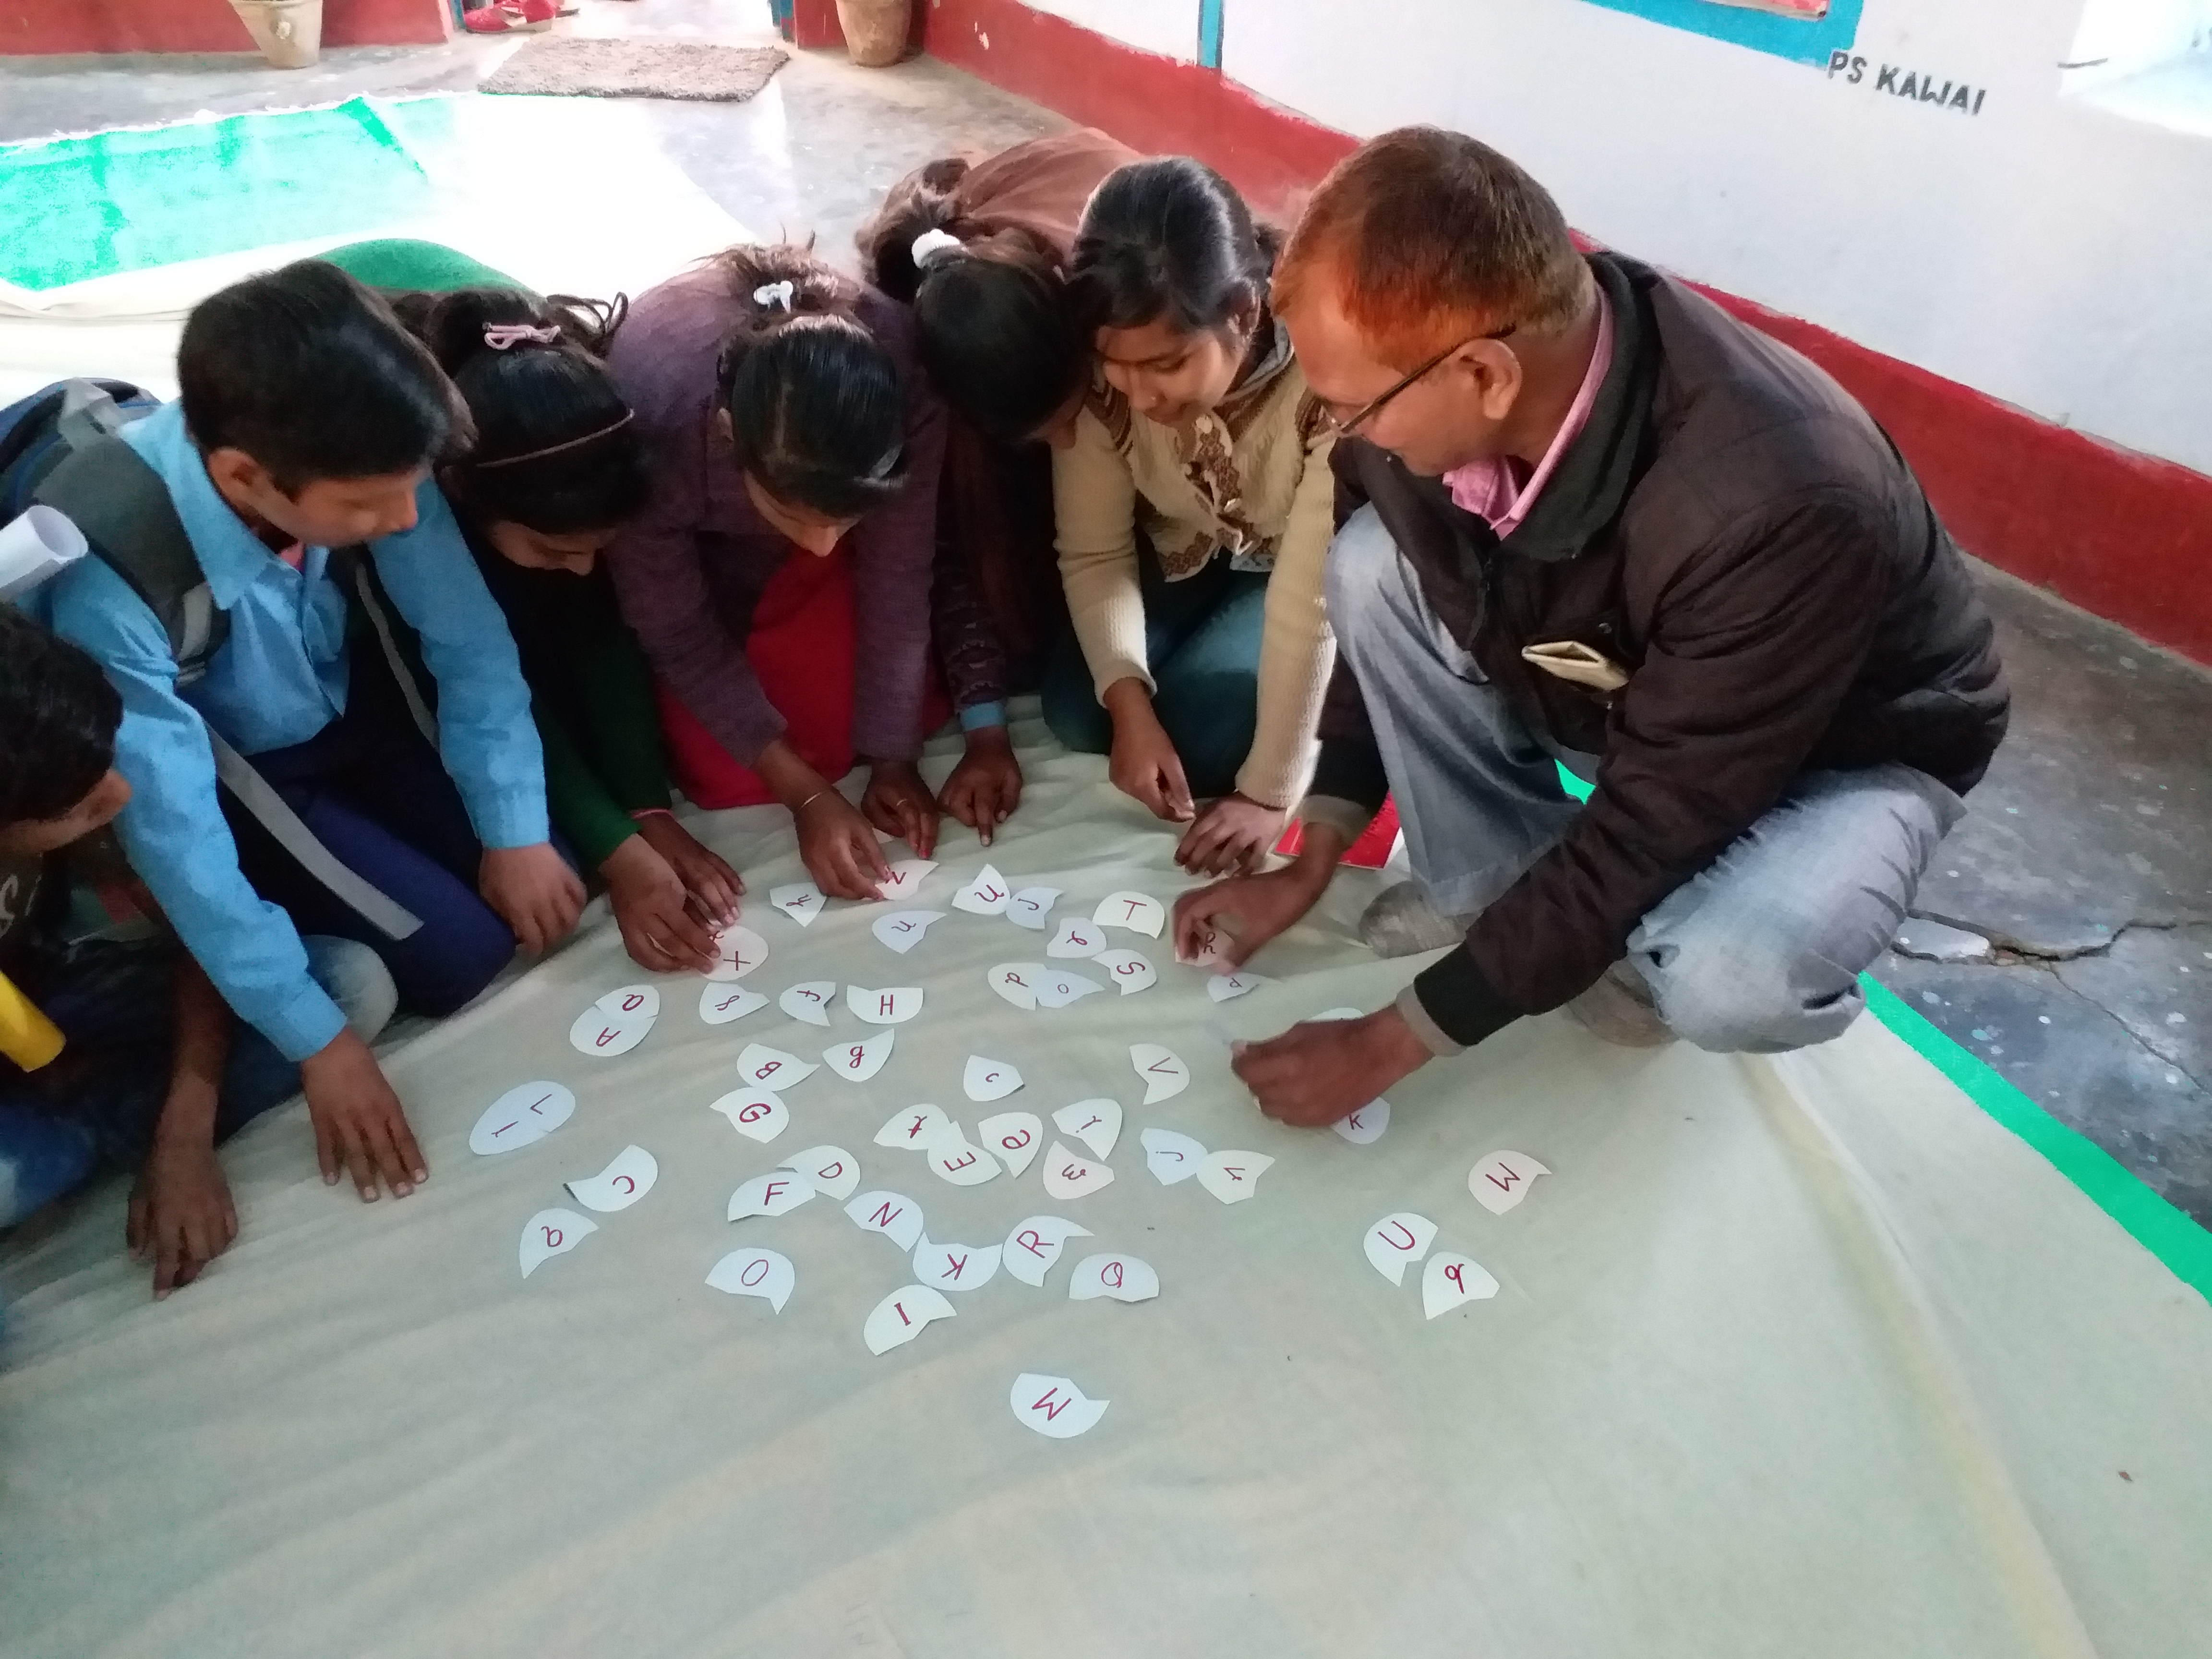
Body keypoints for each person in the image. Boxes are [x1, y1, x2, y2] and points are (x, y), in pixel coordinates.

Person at [1174, 128, 2010, 1126]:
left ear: (1485, 375)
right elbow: (1381, 613)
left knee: (1733, 973)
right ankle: (1500, 889)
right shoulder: (1433, 389)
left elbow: (1658, 816)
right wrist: (1311, 860)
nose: (1341, 429)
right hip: (1628, 686)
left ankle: (1619, 941)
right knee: (1369, 565)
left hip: (1847, 749)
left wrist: (1391, 1041)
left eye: (1353, 409)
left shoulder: (1778, 499)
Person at [33, 260, 580, 1203]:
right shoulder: (112, 576)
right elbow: (177, 835)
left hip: (347, 696)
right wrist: (315, 1040)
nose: (405, 519)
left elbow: (466, 641)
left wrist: (515, 825)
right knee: (462, 957)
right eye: (368, 506)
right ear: (246, 476)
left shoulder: (376, 461)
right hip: (252, 766)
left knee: (542, 872)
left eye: (412, 491)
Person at [321, 239, 746, 975]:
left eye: (595, 547)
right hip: (338, 381)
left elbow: (603, 625)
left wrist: (646, 813)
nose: (580, 565)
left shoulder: (584, 421)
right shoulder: (400, 499)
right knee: (538, 843)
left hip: (455, 370)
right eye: (553, 550)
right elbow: (469, 665)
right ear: (461, 498)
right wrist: (617, 849)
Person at [0, 613, 396, 1296]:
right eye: (86, 807)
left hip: (54, 997)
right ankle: (93, 1128)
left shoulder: (57, 758)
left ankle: (119, 1123)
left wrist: (188, 1121)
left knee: (347, 986)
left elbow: (197, 929)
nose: (120, 797)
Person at [605, 241, 1011, 894]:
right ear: (731, 438)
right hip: (717, 570)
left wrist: (892, 755)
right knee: (728, 772)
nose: (822, 545)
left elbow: (899, 575)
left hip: (805, 562)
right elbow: (672, 626)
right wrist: (806, 797)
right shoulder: (658, 422)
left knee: (865, 712)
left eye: (844, 520)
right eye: (794, 515)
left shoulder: (907, 380)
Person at [1045, 157, 1339, 877]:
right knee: (1077, 711)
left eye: (1168, 365)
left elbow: (1312, 600)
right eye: (1118, 367)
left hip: (1297, 578)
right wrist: (1128, 708)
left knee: (1213, 732)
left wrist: (1271, 794)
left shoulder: (1331, 376)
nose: (1141, 396)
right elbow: (1093, 554)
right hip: (1188, 550)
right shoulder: (1104, 376)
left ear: (1243, 313)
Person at [860, 128, 1141, 712]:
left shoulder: (1115, 308)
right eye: (1042, 434)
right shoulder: (915, 379)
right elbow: (936, 561)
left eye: (1072, 411)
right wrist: (984, 715)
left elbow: (1102, 547)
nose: (1069, 442)